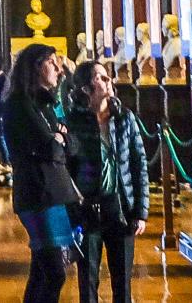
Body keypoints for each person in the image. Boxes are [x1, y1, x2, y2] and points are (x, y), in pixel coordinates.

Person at [64, 59, 149, 303]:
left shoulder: (125, 118)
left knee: (122, 283)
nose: (107, 80)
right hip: (88, 209)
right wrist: (72, 211)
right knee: (87, 281)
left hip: (120, 208)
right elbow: (67, 169)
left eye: (106, 76)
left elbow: (138, 163)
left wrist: (141, 211)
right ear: (85, 89)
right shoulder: (73, 122)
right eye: (99, 77)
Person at [3, 42, 79, 303]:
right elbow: (49, 147)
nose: (59, 69)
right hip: (38, 194)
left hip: (55, 193)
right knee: (54, 272)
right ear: (36, 67)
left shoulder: (47, 103)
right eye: (52, 63)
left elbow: (72, 146)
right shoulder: (19, 104)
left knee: (41, 269)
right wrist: (57, 140)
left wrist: (59, 139)